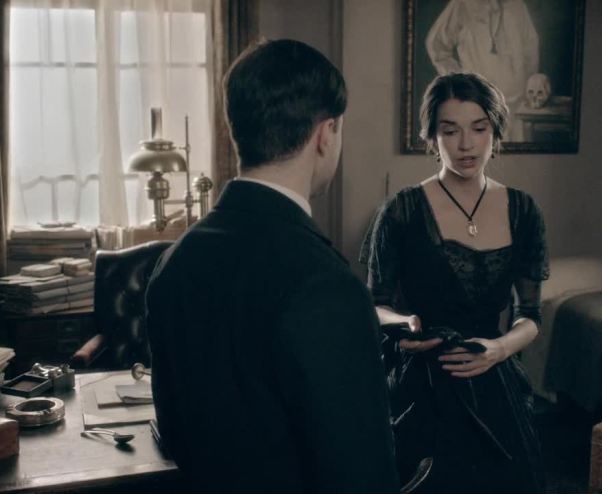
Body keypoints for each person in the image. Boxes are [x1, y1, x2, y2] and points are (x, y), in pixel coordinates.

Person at [146, 39, 399, 493]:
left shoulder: (173, 263)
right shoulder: (326, 283)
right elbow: (362, 476)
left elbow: (175, 437)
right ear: (326, 133)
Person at [362, 72, 548, 493]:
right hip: (424, 382)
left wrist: (500, 349)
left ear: (495, 132)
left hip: (494, 376)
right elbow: (373, 304)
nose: (466, 144)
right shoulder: (402, 210)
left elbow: (531, 315)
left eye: (478, 128)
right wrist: (405, 323)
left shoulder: (524, 210)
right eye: (450, 131)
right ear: (432, 137)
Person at [426, 0, 540, 140]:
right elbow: (436, 45)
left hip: (517, 111)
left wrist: (529, 89)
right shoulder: (462, 5)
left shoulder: (518, 6)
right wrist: (460, 82)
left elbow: (531, 51)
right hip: (478, 106)